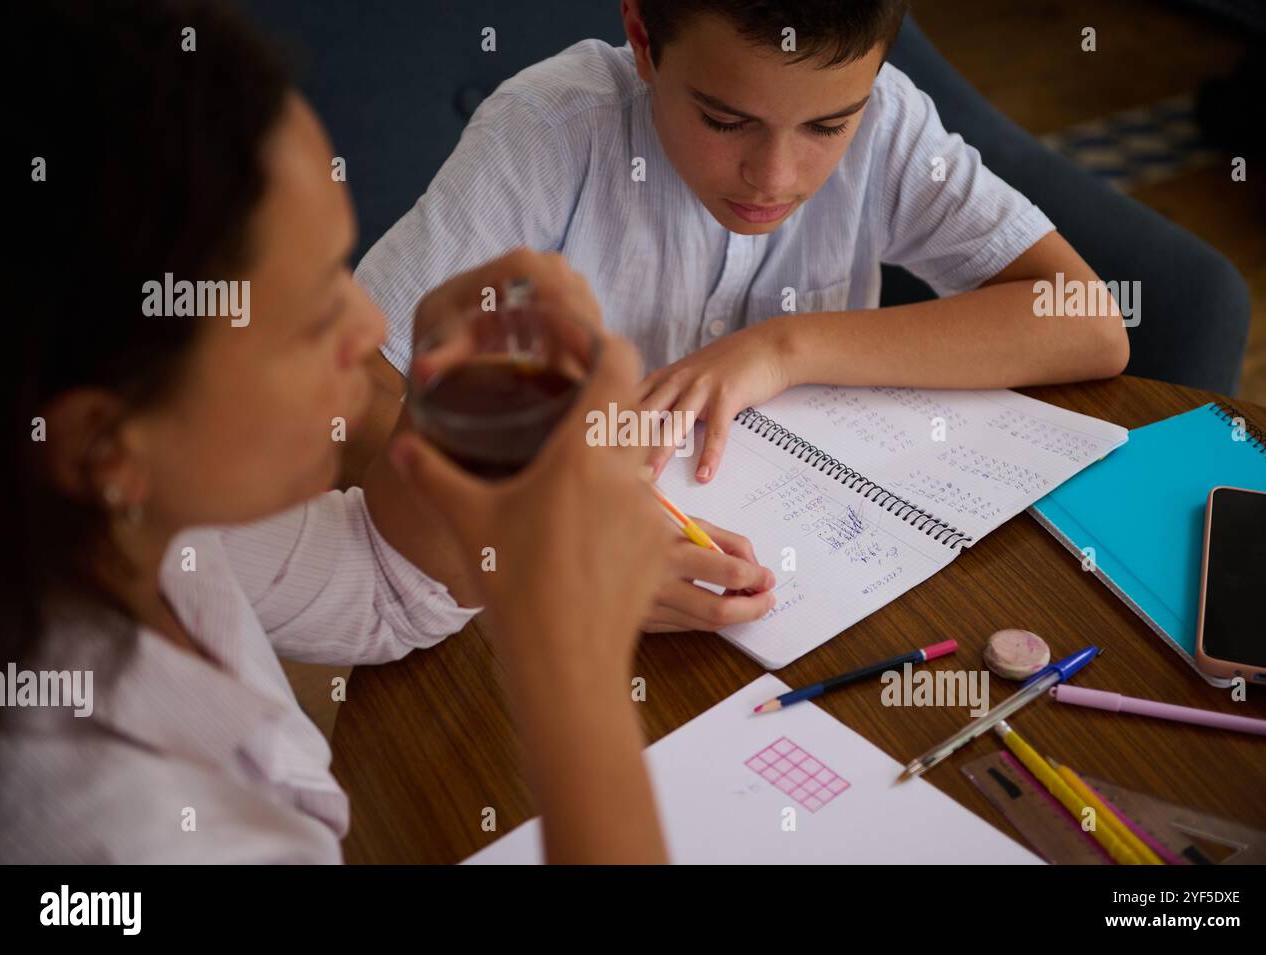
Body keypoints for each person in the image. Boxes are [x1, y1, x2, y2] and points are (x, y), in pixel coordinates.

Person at [0, 0, 668, 864]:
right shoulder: (106, 837)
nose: (372, 321)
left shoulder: (142, 530)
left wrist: (453, 414)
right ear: (103, 444)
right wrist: (573, 672)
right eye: (313, 317)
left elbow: (383, 587)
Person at [350, 0, 1129, 626]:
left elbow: (1088, 322)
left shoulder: (887, 122)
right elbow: (356, 404)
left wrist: (784, 348)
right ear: (643, 39)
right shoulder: (550, 133)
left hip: (808, 591)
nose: (775, 178)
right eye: (726, 122)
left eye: (828, 127)